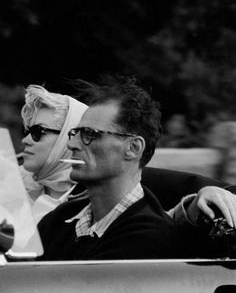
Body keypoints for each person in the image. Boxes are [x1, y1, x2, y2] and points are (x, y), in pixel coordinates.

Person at [38, 76, 236, 260]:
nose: (71, 144)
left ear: (133, 148)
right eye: (75, 133)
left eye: (90, 134)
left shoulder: (151, 237)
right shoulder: (60, 218)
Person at [20, 84, 88, 223]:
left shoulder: (93, 203)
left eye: (37, 132)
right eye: (27, 132)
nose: (25, 140)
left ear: (68, 137)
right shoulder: (13, 185)